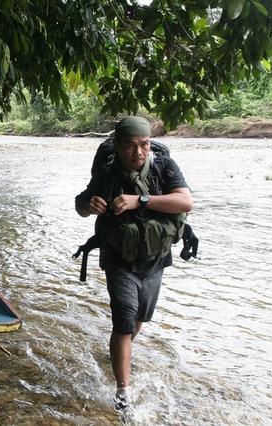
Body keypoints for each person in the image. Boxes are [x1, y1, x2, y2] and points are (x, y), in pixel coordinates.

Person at [74, 116, 193, 410]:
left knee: (139, 319)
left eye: (144, 145)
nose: (138, 152)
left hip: (155, 260)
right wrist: (90, 206)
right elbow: (79, 203)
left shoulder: (164, 167)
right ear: (118, 146)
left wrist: (139, 200)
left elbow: (185, 202)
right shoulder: (107, 172)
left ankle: (119, 350)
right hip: (119, 260)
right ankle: (123, 392)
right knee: (124, 322)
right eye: (130, 146)